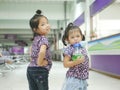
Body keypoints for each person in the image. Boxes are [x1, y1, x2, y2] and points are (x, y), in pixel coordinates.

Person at [26, 10, 52, 90]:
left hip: (30, 69)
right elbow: (42, 51)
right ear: (35, 29)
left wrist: (33, 60)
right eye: (43, 24)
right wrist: (40, 62)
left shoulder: (35, 39)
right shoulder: (43, 39)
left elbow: (31, 51)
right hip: (40, 70)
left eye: (47, 23)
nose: (47, 25)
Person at [62, 23, 89, 90]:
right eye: (72, 37)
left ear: (81, 37)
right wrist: (76, 61)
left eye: (78, 36)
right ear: (68, 39)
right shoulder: (69, 49)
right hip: (74, 78)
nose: (76, 39)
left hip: (83, 77)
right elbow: (65, 64)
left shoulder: (82, 47)